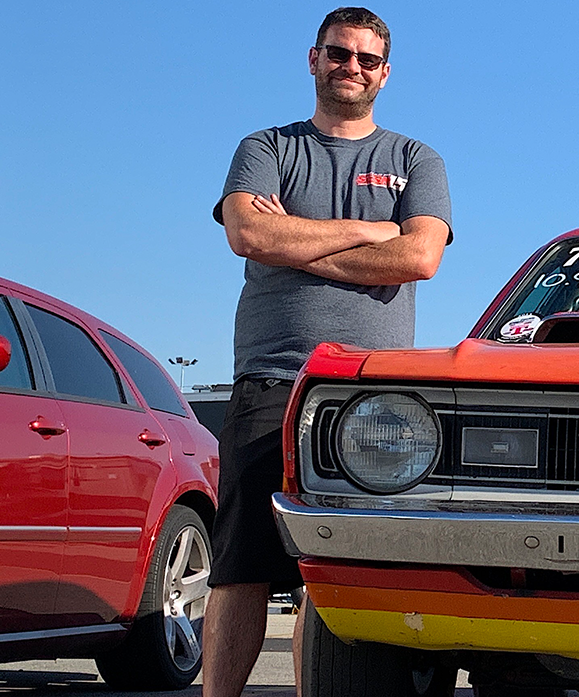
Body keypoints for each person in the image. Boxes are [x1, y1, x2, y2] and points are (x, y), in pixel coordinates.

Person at [204, 7, 451, 696]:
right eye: (339, 54)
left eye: (367, 60)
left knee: (334, 569)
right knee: (239, 566)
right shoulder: (267, 148)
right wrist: (369, 236)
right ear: (313, 59)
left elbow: (422, 254)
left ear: (386, 73)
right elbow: (251, 236)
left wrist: (305, 244)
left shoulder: (414, 159)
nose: (352, 68)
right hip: (270, 381)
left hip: (373, 396)